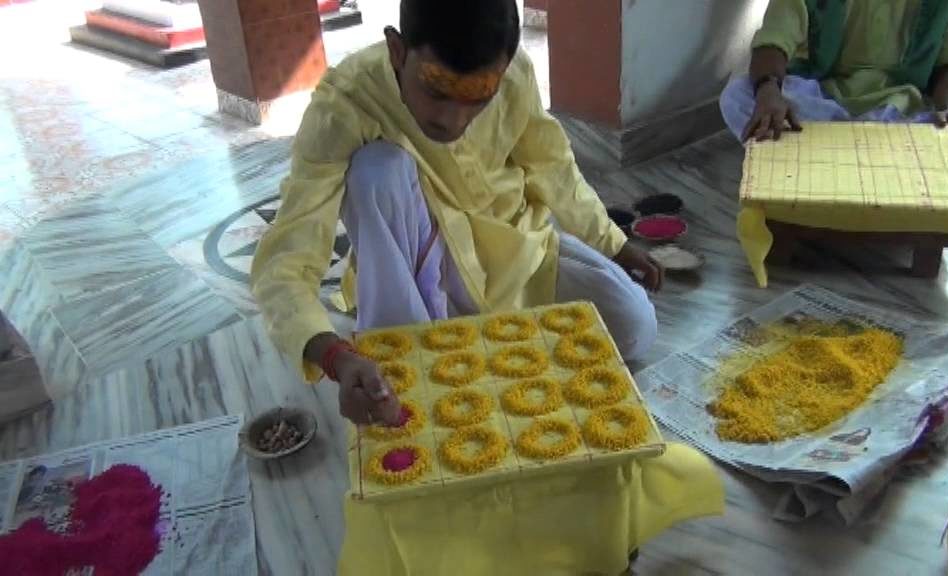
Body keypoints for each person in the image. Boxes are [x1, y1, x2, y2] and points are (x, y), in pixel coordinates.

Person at [252, 0, 664, 427]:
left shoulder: (514, 73)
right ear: (397, 50)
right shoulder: (346, 101)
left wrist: (613, 243)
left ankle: (485, 338)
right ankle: (410, 350)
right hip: (426, 276)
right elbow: (287, 256)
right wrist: (334, 355)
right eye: (437, 90)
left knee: (635, 327)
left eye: (478, 99)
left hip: (520, 260)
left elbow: (552, 166)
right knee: (376, 170)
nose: (454, 119)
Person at [720, 0, 948, 186]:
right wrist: (768, 90)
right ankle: (894, 169)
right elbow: (774, 38)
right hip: (827, 105)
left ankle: (830, 165)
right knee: (738, 97)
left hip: (912, 113)